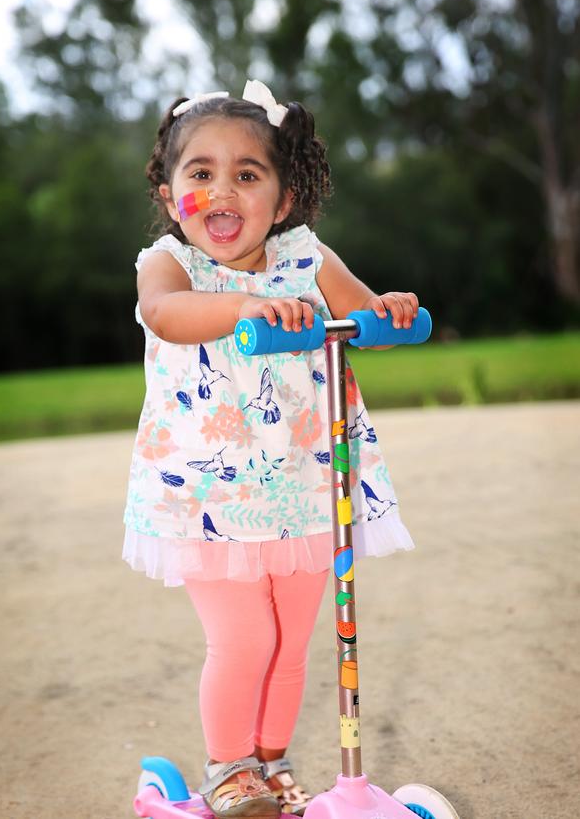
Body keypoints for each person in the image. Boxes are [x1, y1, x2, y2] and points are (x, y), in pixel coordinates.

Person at [123, 80, 419, 818]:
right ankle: (229, 769)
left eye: (247, 175)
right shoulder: (170, 266)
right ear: (169, 194)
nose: (221, 190)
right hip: (211, 494)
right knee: (245, 636)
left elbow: (361, 309)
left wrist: (390, 310)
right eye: (200, 174)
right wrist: (246, 307)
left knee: (290, 640)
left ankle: (271, 766)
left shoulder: (305, 256)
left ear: (283, 201)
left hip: (306, 478)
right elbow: (167, 316)